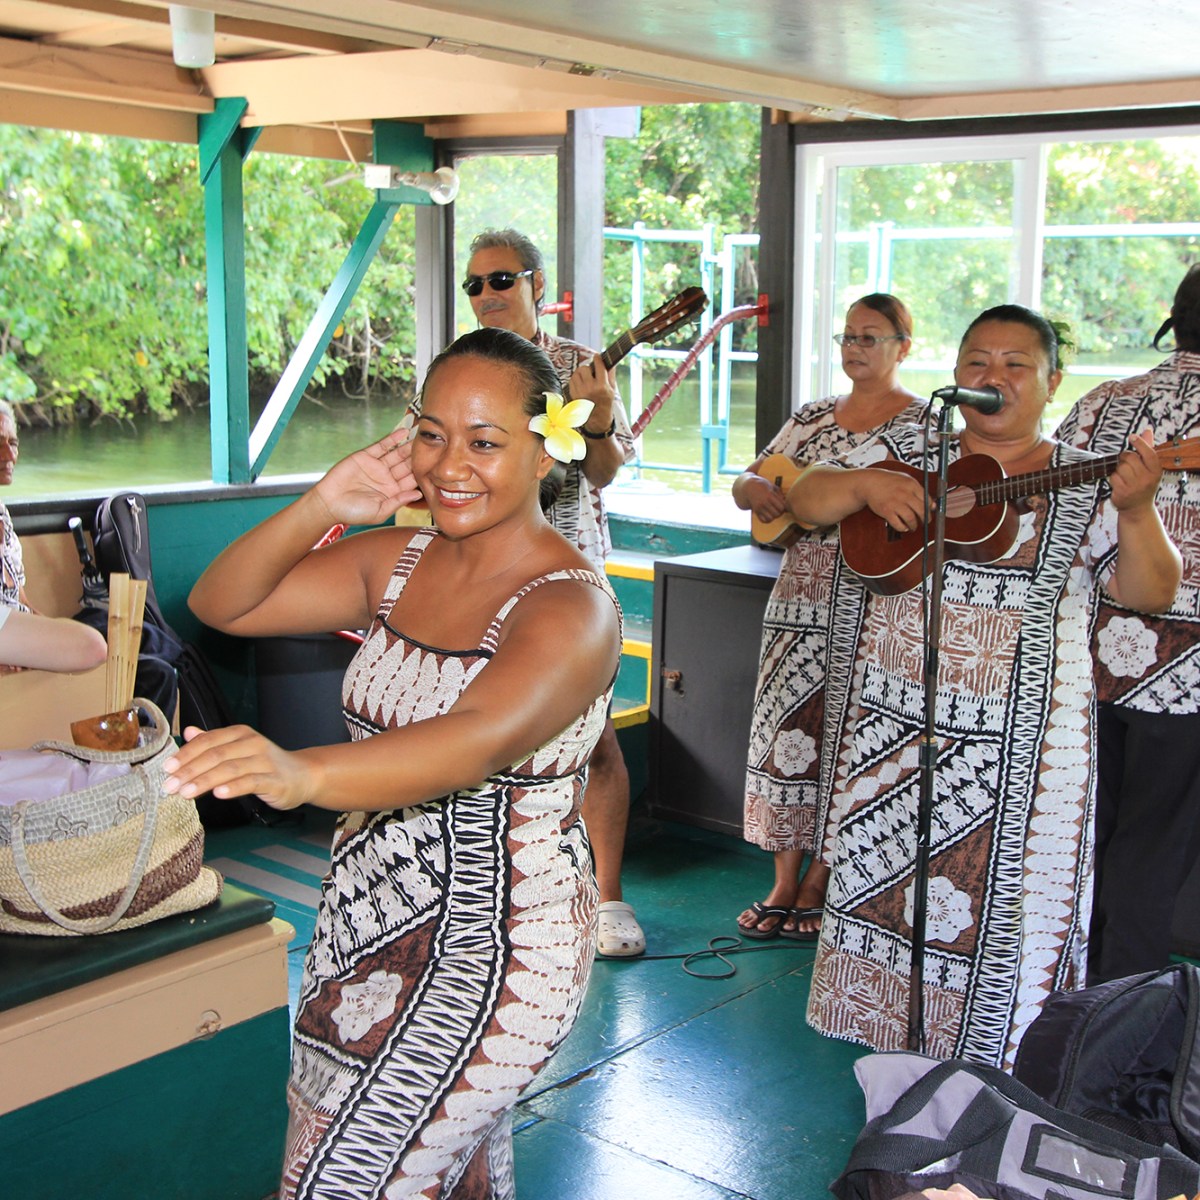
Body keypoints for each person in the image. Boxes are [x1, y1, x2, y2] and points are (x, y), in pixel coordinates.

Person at [163, 327, 622, 1199]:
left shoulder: (570, 609)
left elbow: (474, 741)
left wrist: (301, 773)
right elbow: (222, 603)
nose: (451, 464)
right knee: (436, 1175)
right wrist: (322, 503)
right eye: (431, 432)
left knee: (341, 1181)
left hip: (495, 950)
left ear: (545, 453)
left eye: (485, 442)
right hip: (362, 919)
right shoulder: (396, 562)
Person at [790, 304, 1179, 1069]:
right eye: (976, 362)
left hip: (1028, 754)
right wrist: (865, 484)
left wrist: (1135, 513)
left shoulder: (1085, 478)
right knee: (889, 909)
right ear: (955, 376)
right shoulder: (912, 451)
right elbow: (806, 498)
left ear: (1053, 382)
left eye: (1015, 364)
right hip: (895, 736)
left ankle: (992, 1093)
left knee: (1007, 927)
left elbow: (1151, 593)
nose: (992, 378)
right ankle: (898, 1080)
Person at [404, 227, 644, 957]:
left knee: (594, 738)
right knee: (473, 727)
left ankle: (607, 900)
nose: (485, 296)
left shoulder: (582, 365)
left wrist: (596, 420)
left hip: (569, 580)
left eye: (501, 280)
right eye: (473, 285)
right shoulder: (461, 368)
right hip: (477, 575)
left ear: (538, 286)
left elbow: (602, 472)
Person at [732, 295, 926, 940]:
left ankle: (823, 880)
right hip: (800, 596)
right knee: (790, 727)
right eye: (848, 335)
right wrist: (755, 489)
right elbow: (749, 482)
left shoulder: (927, 425)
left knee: (850, 732)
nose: (855, 348)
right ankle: (785, 879)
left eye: (871, 338)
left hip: (874, 595)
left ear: (904, 346)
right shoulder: (811, 415)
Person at [1055, 262, 1200, 983]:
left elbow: (1050, 507)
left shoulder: (1104, 402)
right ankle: (1119, 1018)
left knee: (1076, 838)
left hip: (1087, 659)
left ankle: (1057, 1002)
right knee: (1153, 848)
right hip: (1190, 680)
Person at [0, 400, 107, 673]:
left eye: (13, 443)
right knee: (92, 645)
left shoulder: (2, 515)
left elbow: (20, 601)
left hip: (11, 628)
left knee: (107, 631)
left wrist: (46, 629)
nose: (9, 455)